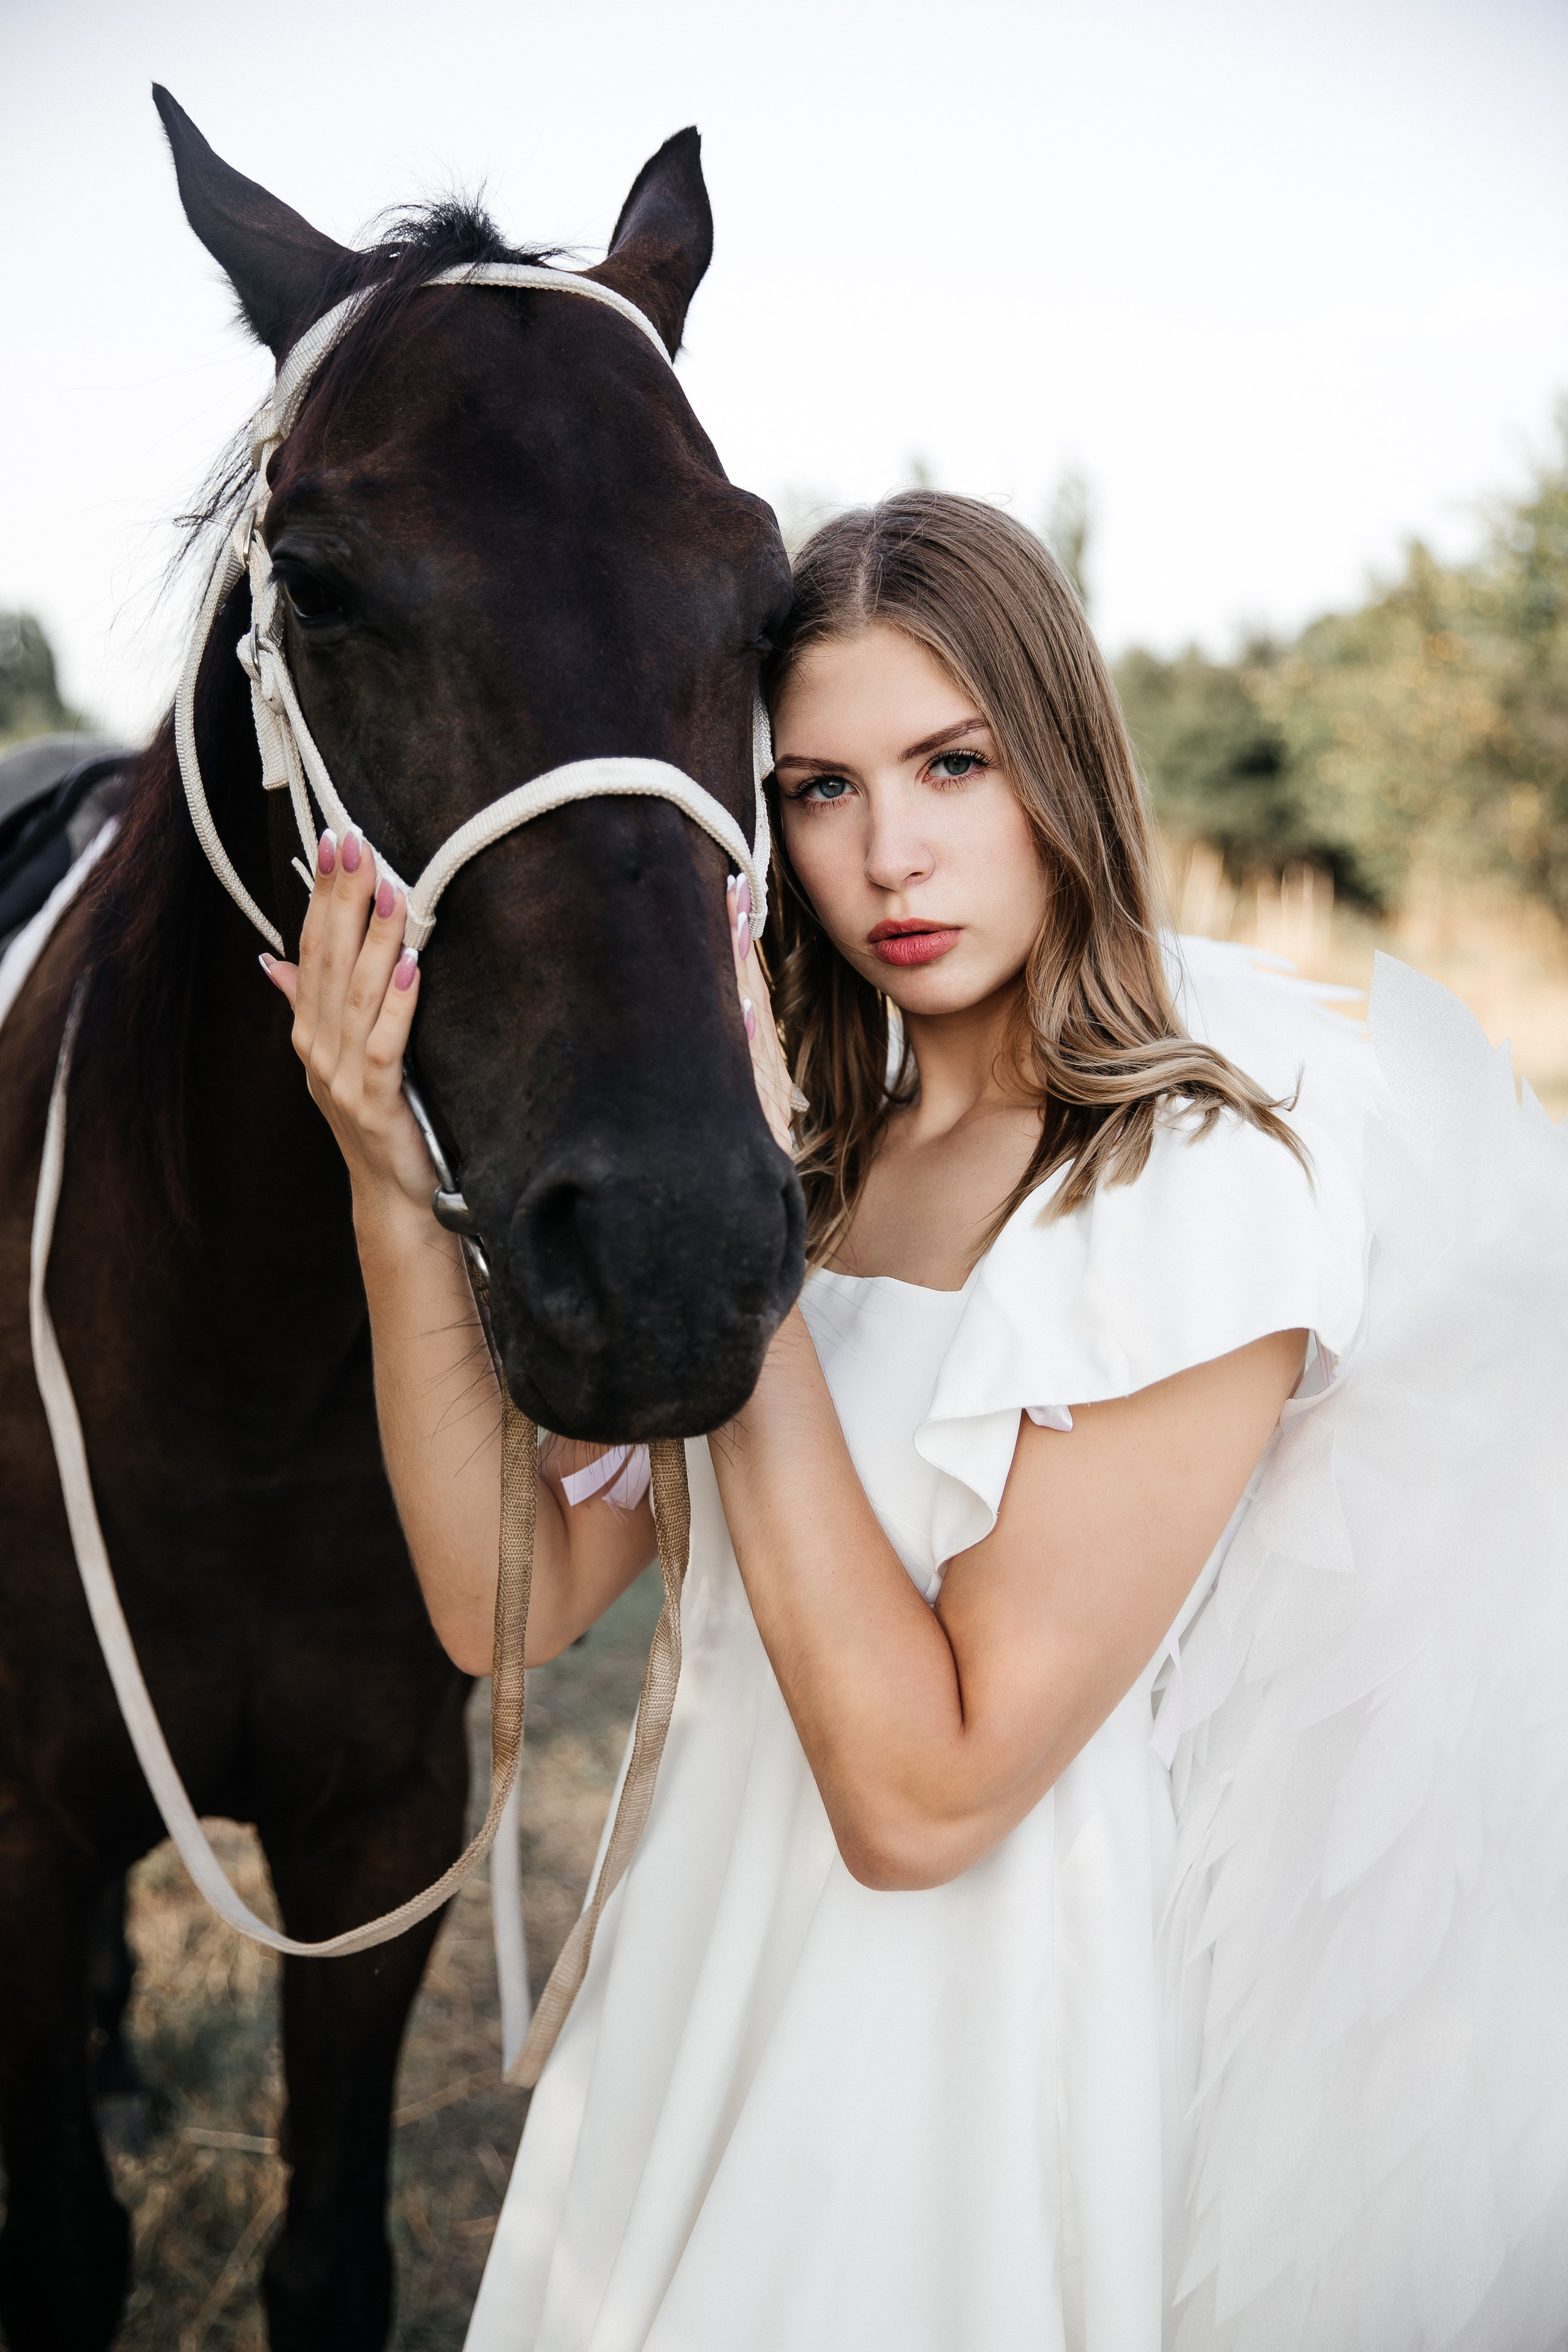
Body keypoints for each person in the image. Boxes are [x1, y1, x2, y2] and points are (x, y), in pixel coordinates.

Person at [262, 494, 1560, 2350]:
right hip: (698, 1968)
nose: (890, 854)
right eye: (818, 788)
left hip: (960, 2050)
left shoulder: (1195, 1193)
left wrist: (759, 1259)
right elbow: (512, 1604)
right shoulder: (835, 1150)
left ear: (1063, 769)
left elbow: (923, 1795)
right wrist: (391, 1189)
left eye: (952, 763)